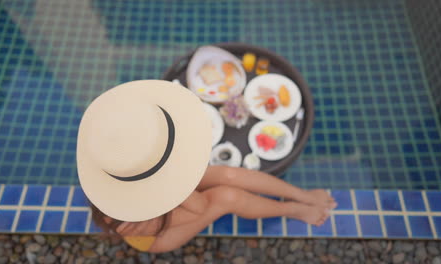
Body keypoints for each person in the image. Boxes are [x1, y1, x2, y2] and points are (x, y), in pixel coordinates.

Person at [77, 80, 337, 253]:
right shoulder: (132, 219)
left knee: (228, 174)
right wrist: (174, 182)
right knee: (226, 196)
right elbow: (200, 207)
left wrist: (169, 174)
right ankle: (292, 209)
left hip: (160, 183)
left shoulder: (119, 160)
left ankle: (302, 195)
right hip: (161, 234)